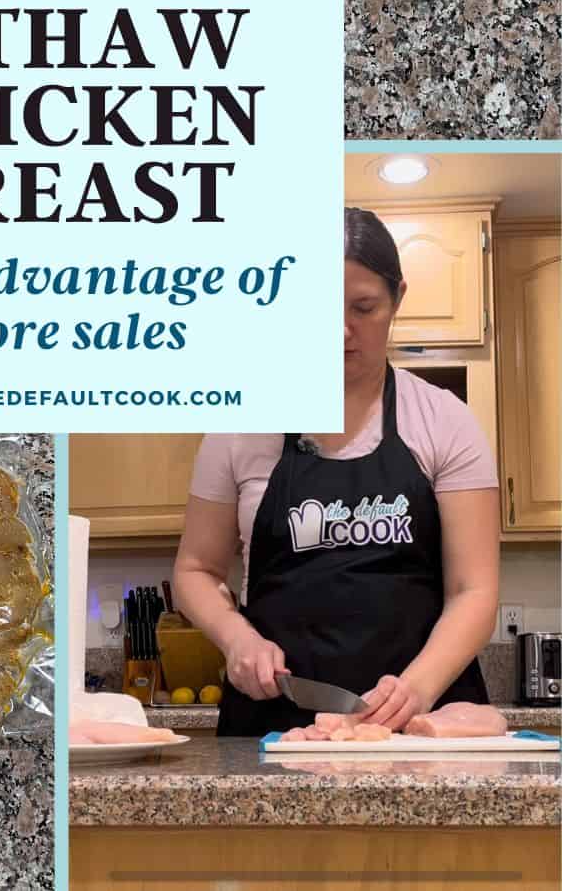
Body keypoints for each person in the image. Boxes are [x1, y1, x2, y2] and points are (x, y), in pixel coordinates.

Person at [174, 207, 500, 736]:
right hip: (273, 726)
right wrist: (237, 639)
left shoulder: (445, 421)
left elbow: (474, 590)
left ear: (398, 300)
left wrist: (414, 689)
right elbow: (195, 570)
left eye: (364, 307)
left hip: (418, 726)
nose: (340, 330)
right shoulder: (237, 431)